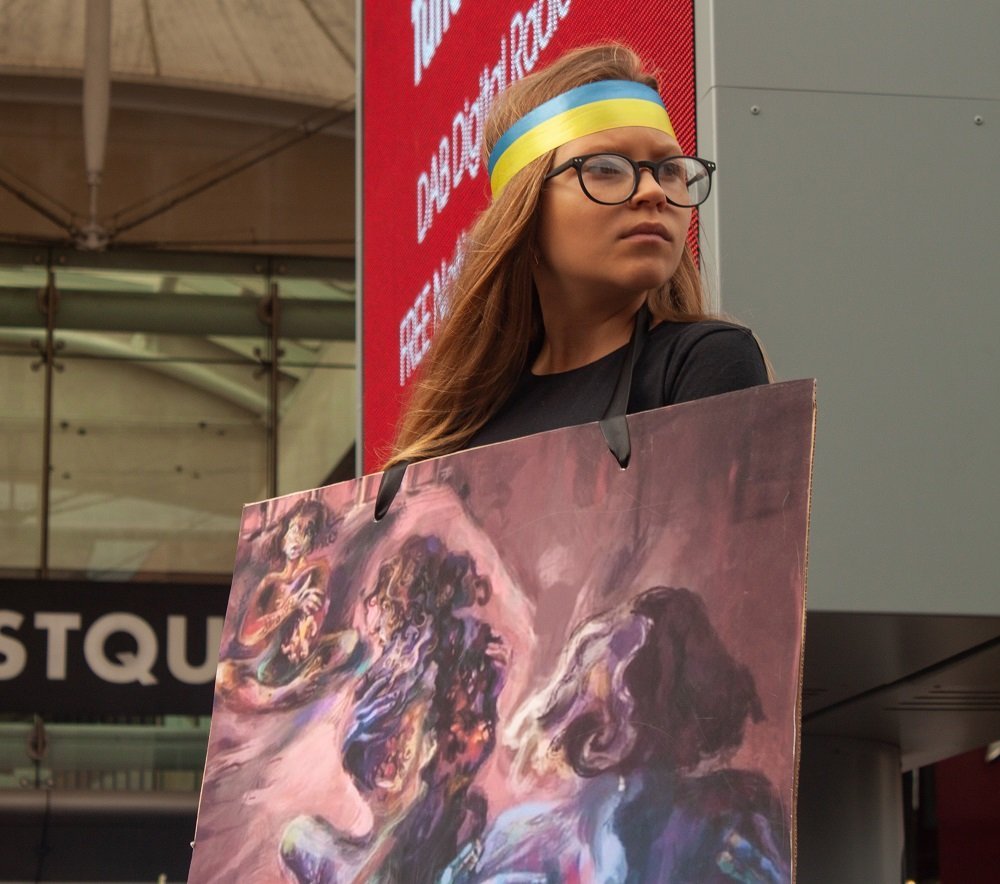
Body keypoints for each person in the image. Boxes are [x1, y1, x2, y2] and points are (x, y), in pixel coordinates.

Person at [387, 42, 768, 468]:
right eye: (606, 168)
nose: (653, 192)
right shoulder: (452, 436)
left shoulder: (705, 361)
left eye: (671, 170)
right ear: (524, 209)